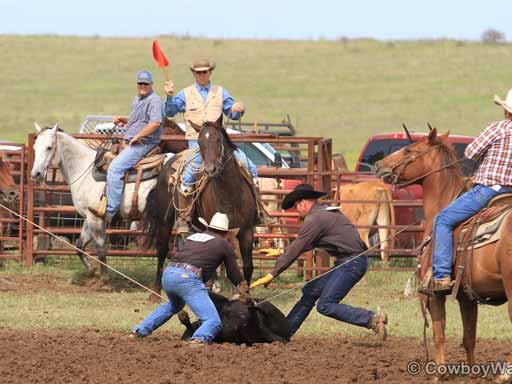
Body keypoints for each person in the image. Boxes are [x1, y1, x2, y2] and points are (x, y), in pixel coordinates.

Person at [427, 88, 512, 295]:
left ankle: (441, 275)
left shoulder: (499, 128)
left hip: (490, 191)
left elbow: (470, 152)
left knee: (442, 220)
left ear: (506, 110)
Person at [249, 183, 388, 339]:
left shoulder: (315, 219)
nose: (296, 211)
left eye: (296, 206)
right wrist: (282, 252)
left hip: (351, 263)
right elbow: (303, 244)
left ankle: (372, 319)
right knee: (310, 291)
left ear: (303, 203)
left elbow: (298, 246)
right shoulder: (323, 214)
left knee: (325, 305)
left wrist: (273, 273)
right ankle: (285, 332)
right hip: (350, 261)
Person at [163, 58, 258, 233]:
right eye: (198, 72)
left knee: (250, 166)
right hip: (196, 144)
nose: (201, 75)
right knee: (188, 175)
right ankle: (185, 217)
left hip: (220, 144)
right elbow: (169, 112)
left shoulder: (220, 92)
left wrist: (238, 109)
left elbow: (232, 113)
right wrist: (169, 96)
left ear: (210, 72)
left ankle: (258, 211)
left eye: (204, 72)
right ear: (193, 73)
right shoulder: (185, 94)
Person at [131, 212, 250, 345]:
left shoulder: (193, 237)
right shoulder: (223, 244)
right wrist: (242, 285)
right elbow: (233, 272)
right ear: (226, 233)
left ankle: (140, 330)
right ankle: (199, 338)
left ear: (208, 228)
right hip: (188, 278)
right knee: (212, 320)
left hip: (169, 273)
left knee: (174, 305)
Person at [91, 70, 163, 222]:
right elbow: (138, 119)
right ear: (137, 84)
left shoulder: (155, 100)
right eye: (140, 83)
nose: (142, 86)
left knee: (115, 169)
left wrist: (139, 135)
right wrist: (123, 119)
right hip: (133, 141)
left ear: (151, 85)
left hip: (144, 143)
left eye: (146, 84)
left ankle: (110, 211)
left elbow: (155, 122)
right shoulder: (137, 99)